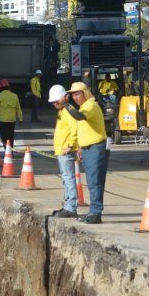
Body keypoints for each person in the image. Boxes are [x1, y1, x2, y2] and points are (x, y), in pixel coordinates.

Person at [67, 81, 108, 224]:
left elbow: (79, 116)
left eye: (78, 94)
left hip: (95, 147)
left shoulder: (91, 106)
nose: (75, 97)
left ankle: (96, 212)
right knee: (92, 181)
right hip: (87, 148)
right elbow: (83, 130)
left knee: (94, 181)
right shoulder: (84, 106)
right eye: (72, 95)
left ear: (86, 93)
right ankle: (93, 211)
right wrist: (79, 147)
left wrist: (66, 104)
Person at [49, 84, 80, 218]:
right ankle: (67, 205)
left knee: (68, 178)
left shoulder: (68, 110)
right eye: (53, 101)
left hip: (66, 151)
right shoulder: (62, 111)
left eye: (57, 100)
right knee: (66, 179)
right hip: (62, 152)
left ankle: (71, 207)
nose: (55, 103)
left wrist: (70, 145)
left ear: (65, 97)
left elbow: (75, 129)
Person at [0, 79, 23, 146]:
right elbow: (18, 108)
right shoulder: (14, 96)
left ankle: (6, 150)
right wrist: (20, 119)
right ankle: (10, 149)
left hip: (3, 120)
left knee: (4, 136)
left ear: (0, 88)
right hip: (12, 120)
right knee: (11, 135)